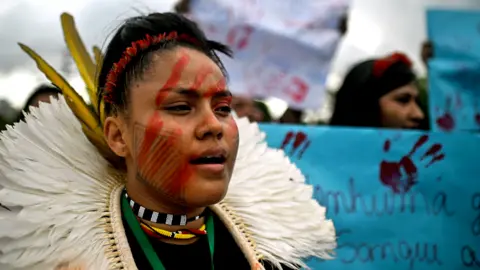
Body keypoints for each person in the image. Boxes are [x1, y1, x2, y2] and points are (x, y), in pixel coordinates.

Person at [0, 12, 335, 270]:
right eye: (179, 107)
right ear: (118, 136)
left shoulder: (266, 252)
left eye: (222, 108)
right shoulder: (67, 260)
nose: (213, 126)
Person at [330, 52, 425, 129]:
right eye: (403, 100)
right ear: (365, 107)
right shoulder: (318, 150)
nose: (418, 114)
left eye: (417, 102)